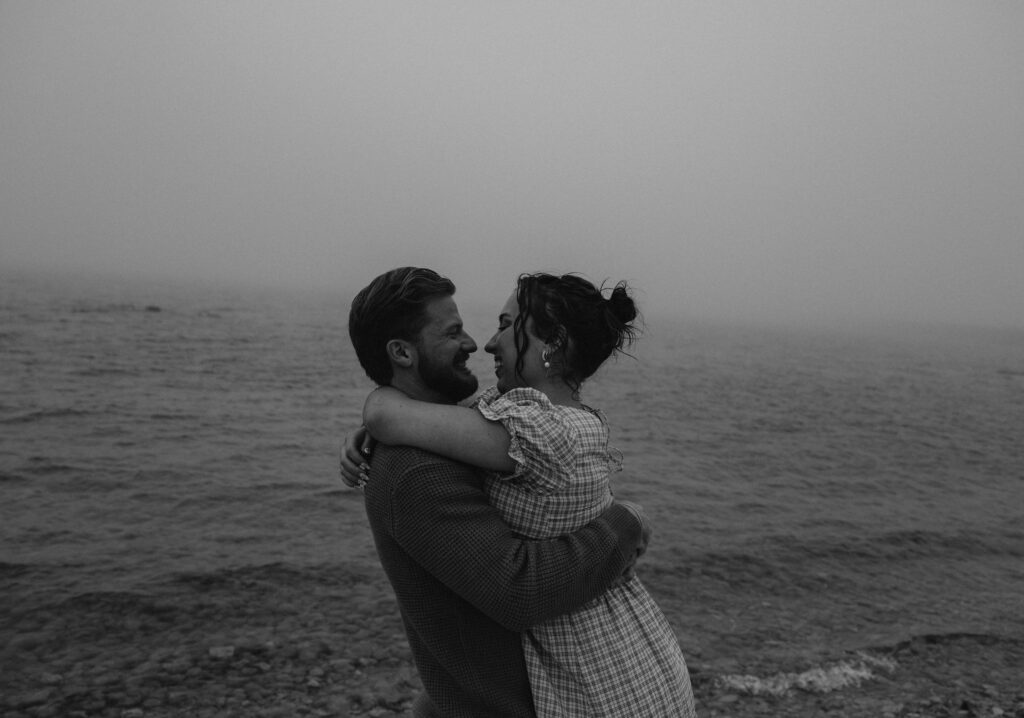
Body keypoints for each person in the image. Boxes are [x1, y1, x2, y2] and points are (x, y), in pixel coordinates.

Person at [347, 272, 696, 718]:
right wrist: (625, 521)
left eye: (503, 325)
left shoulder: (516, 428)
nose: (480, 343)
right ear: (402, 352)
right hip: (593, 678)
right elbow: (518, 592)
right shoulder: (418, 468)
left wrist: (379, 410)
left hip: (599, 685)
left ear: (553, 344)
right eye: (453, 332)